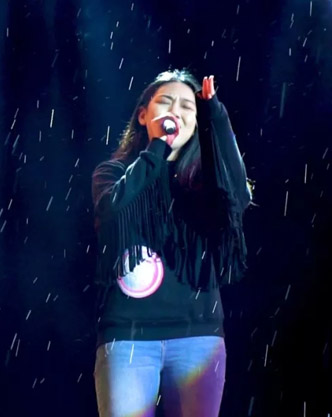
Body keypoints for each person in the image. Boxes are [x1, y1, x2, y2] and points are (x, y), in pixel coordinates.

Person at [91, 69, 251, 417]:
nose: (175, 112)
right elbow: (114, 210)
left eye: (187, 107)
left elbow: (238, 195)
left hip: (198, 338)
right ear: (143, 115)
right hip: (128, 339)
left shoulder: (205, 180)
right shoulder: (113, 173)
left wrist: (216, 116)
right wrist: (157, 147)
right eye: (165, 103)